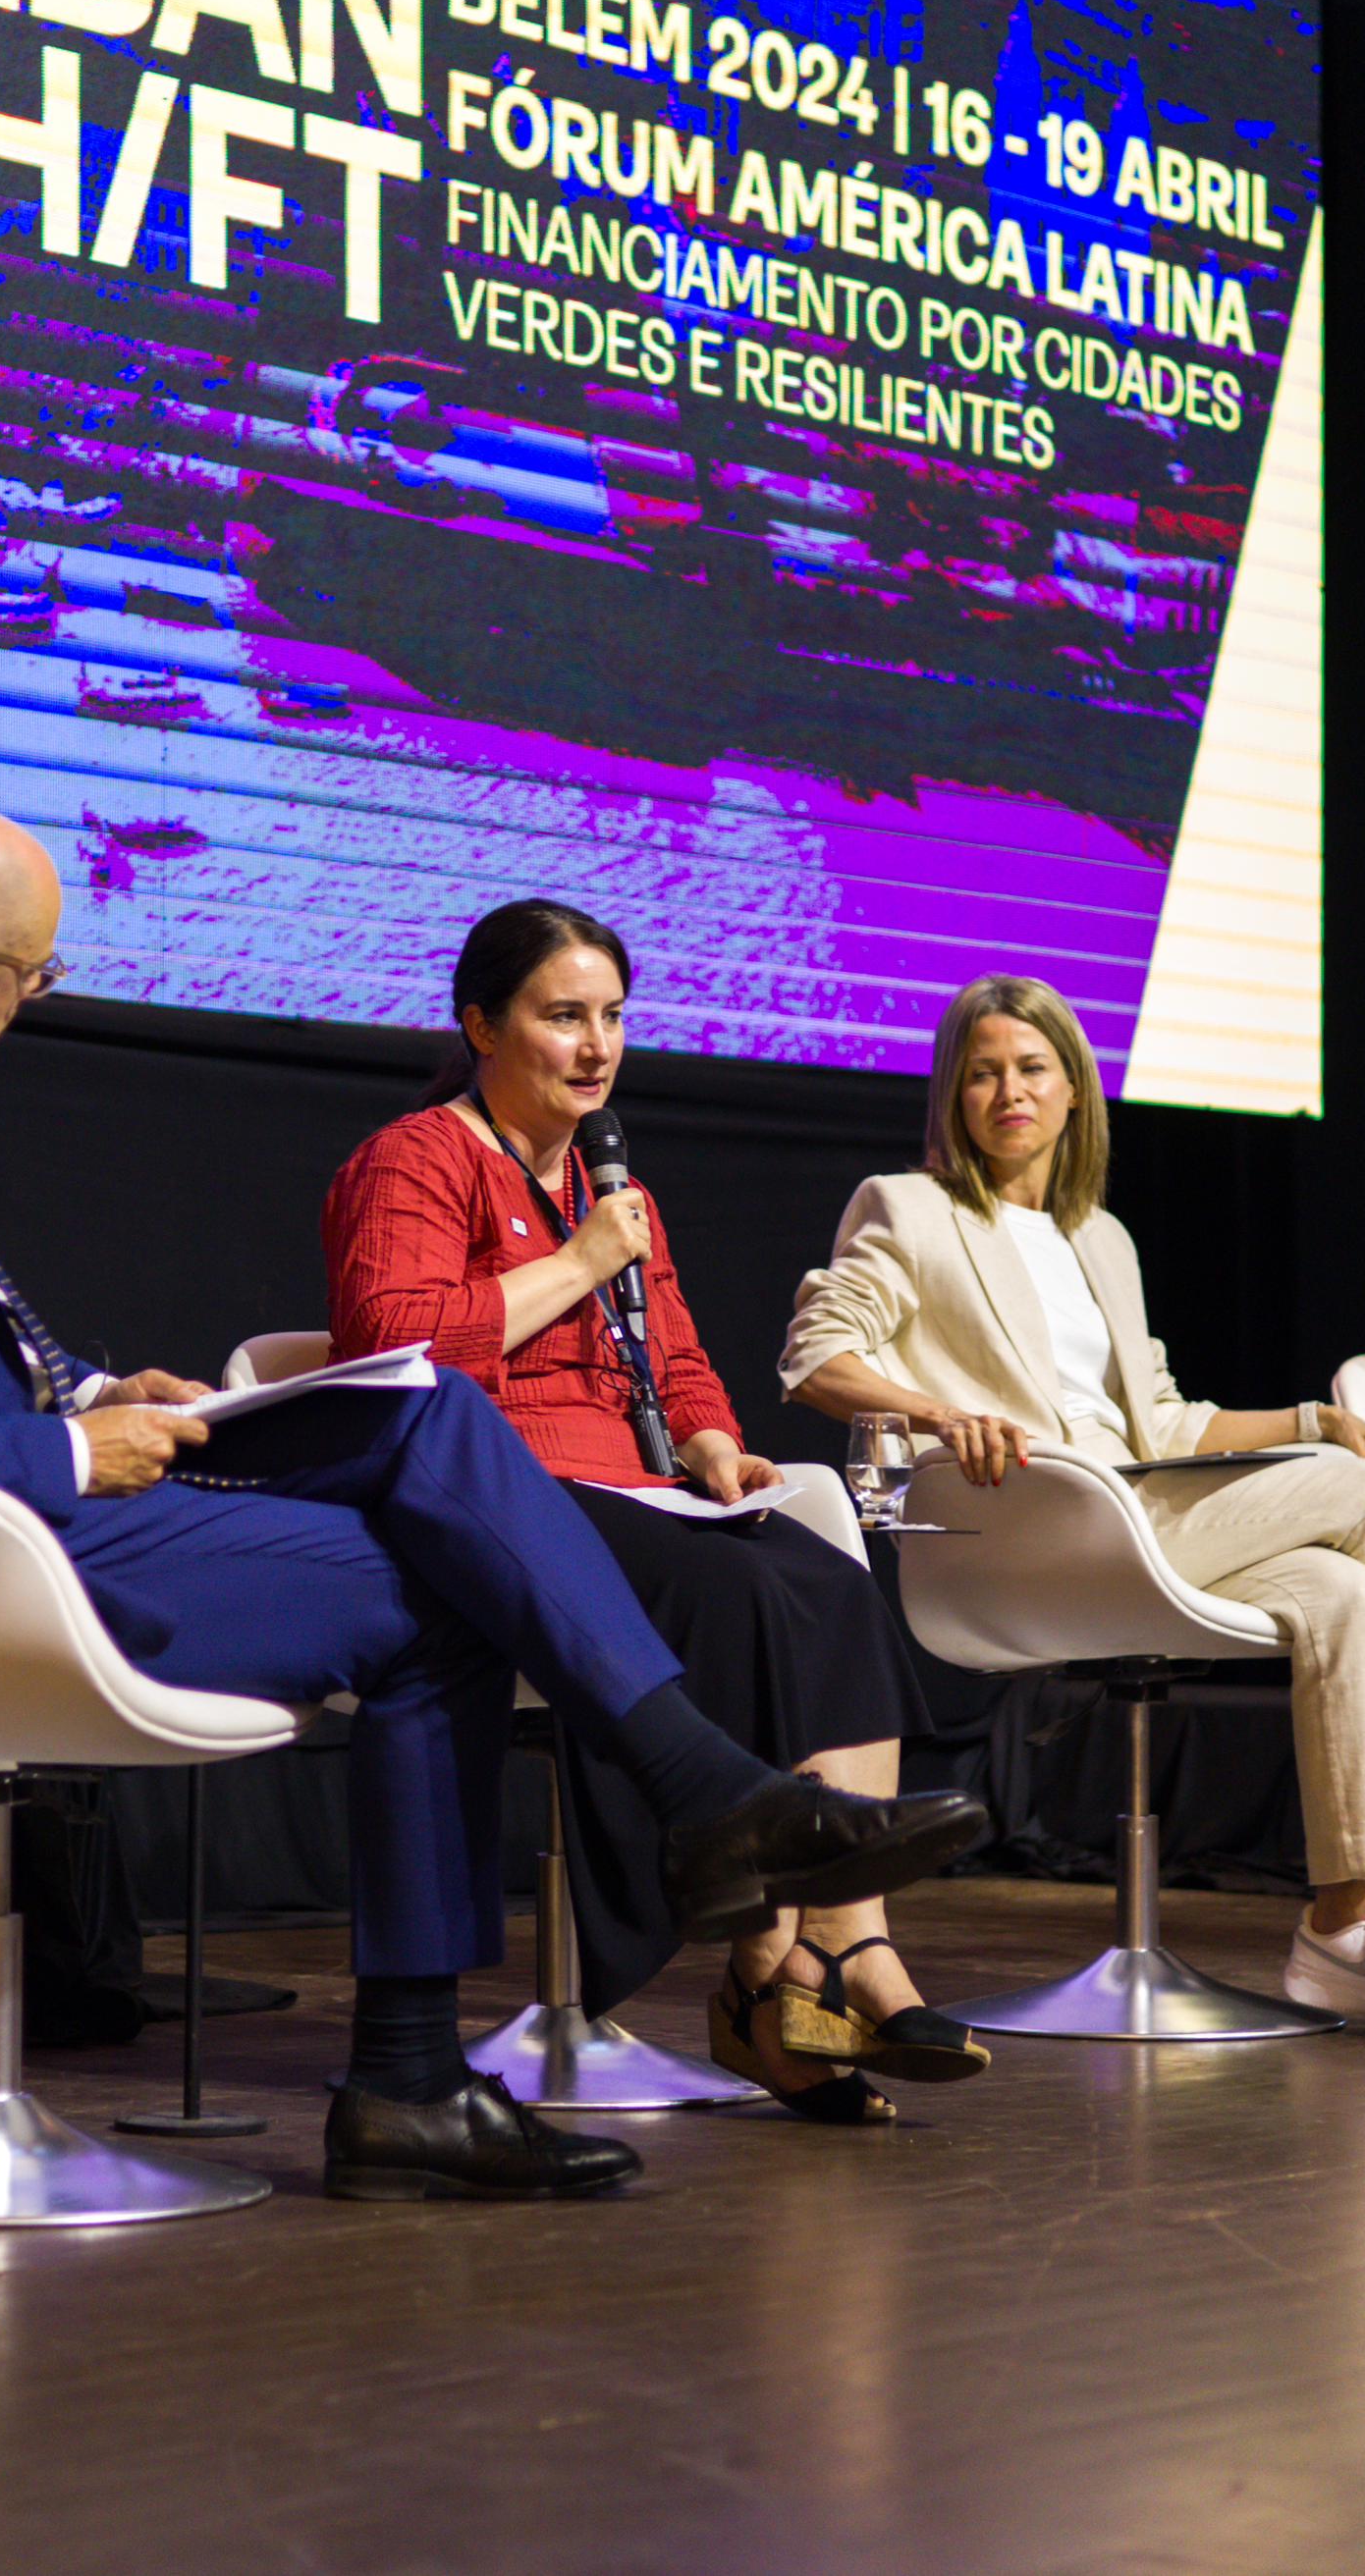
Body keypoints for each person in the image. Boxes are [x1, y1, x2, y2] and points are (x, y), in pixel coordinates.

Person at [0, 797, 986, 2201]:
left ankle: (427, 2067)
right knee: (440, 1521)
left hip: (25, 1497)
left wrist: (94, 1394)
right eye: (39, 976)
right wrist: (65, 1455)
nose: (38, 1003)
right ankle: (662, 1827)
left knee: (434, 1483)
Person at [783, 976, 1365, 2044]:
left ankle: (1344, 1921)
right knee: (1363, 1491)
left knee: (1340, 1594)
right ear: (952, 1093)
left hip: (1137, 1512)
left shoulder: (1099, 1236)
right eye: (982, 1069)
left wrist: (1307, 1417)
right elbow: (816, 1354)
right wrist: (932, 1409)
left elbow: (1162, 1422)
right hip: (1025, 1528)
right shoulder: (905, 1206)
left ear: (1071, 1090)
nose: (1008, 1088)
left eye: (1032, 1066)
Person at [324, 903, 971, 2121]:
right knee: (732, 1593)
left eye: (611, 1016)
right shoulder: (414, 1157)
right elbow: (390, 1343)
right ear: (480, 1024)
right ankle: (780, 1974)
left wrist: (716, 1440)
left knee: (824, 1583)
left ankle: (828, 1950)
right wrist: (574, 1261)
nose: (595, 1044)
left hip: (640, 1483)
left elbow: (673, 1363)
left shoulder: (617, 1189)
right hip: (497, 1494)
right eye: (561, 1015)